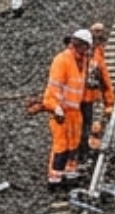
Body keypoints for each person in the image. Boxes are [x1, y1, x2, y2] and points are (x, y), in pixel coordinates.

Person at [45, 29, 92, 189]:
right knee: (61, 146)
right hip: (62, 111)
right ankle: (54, 180)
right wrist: (56, 108)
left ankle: (68, 176)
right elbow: (53, 88)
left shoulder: (82, 60)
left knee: (73, 145)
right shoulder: (62, 60)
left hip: (74, 111)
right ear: (80, 45)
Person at [79, 23, 115, 165]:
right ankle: (82, 155)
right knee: (83, 128)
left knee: (90, 126)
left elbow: (104, 80)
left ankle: (86, 155)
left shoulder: (97, 54)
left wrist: (109, 103)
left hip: (89, 99)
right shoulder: (77, 56)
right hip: (78, 100)